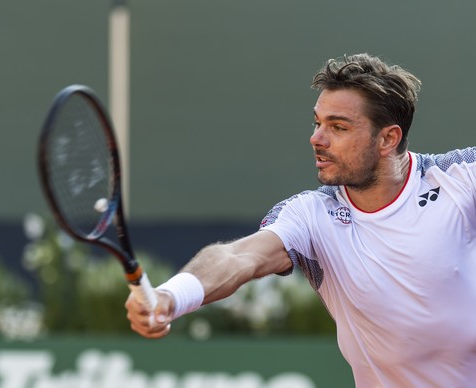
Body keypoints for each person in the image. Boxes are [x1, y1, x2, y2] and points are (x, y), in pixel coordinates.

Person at [124, 53, 476, 387]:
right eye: (317, 122)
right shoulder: (311, 216)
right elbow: (238, 257)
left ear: (387, 138)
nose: (316, 139)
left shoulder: (460, 179)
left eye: (337, 127)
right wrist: (172, 296)